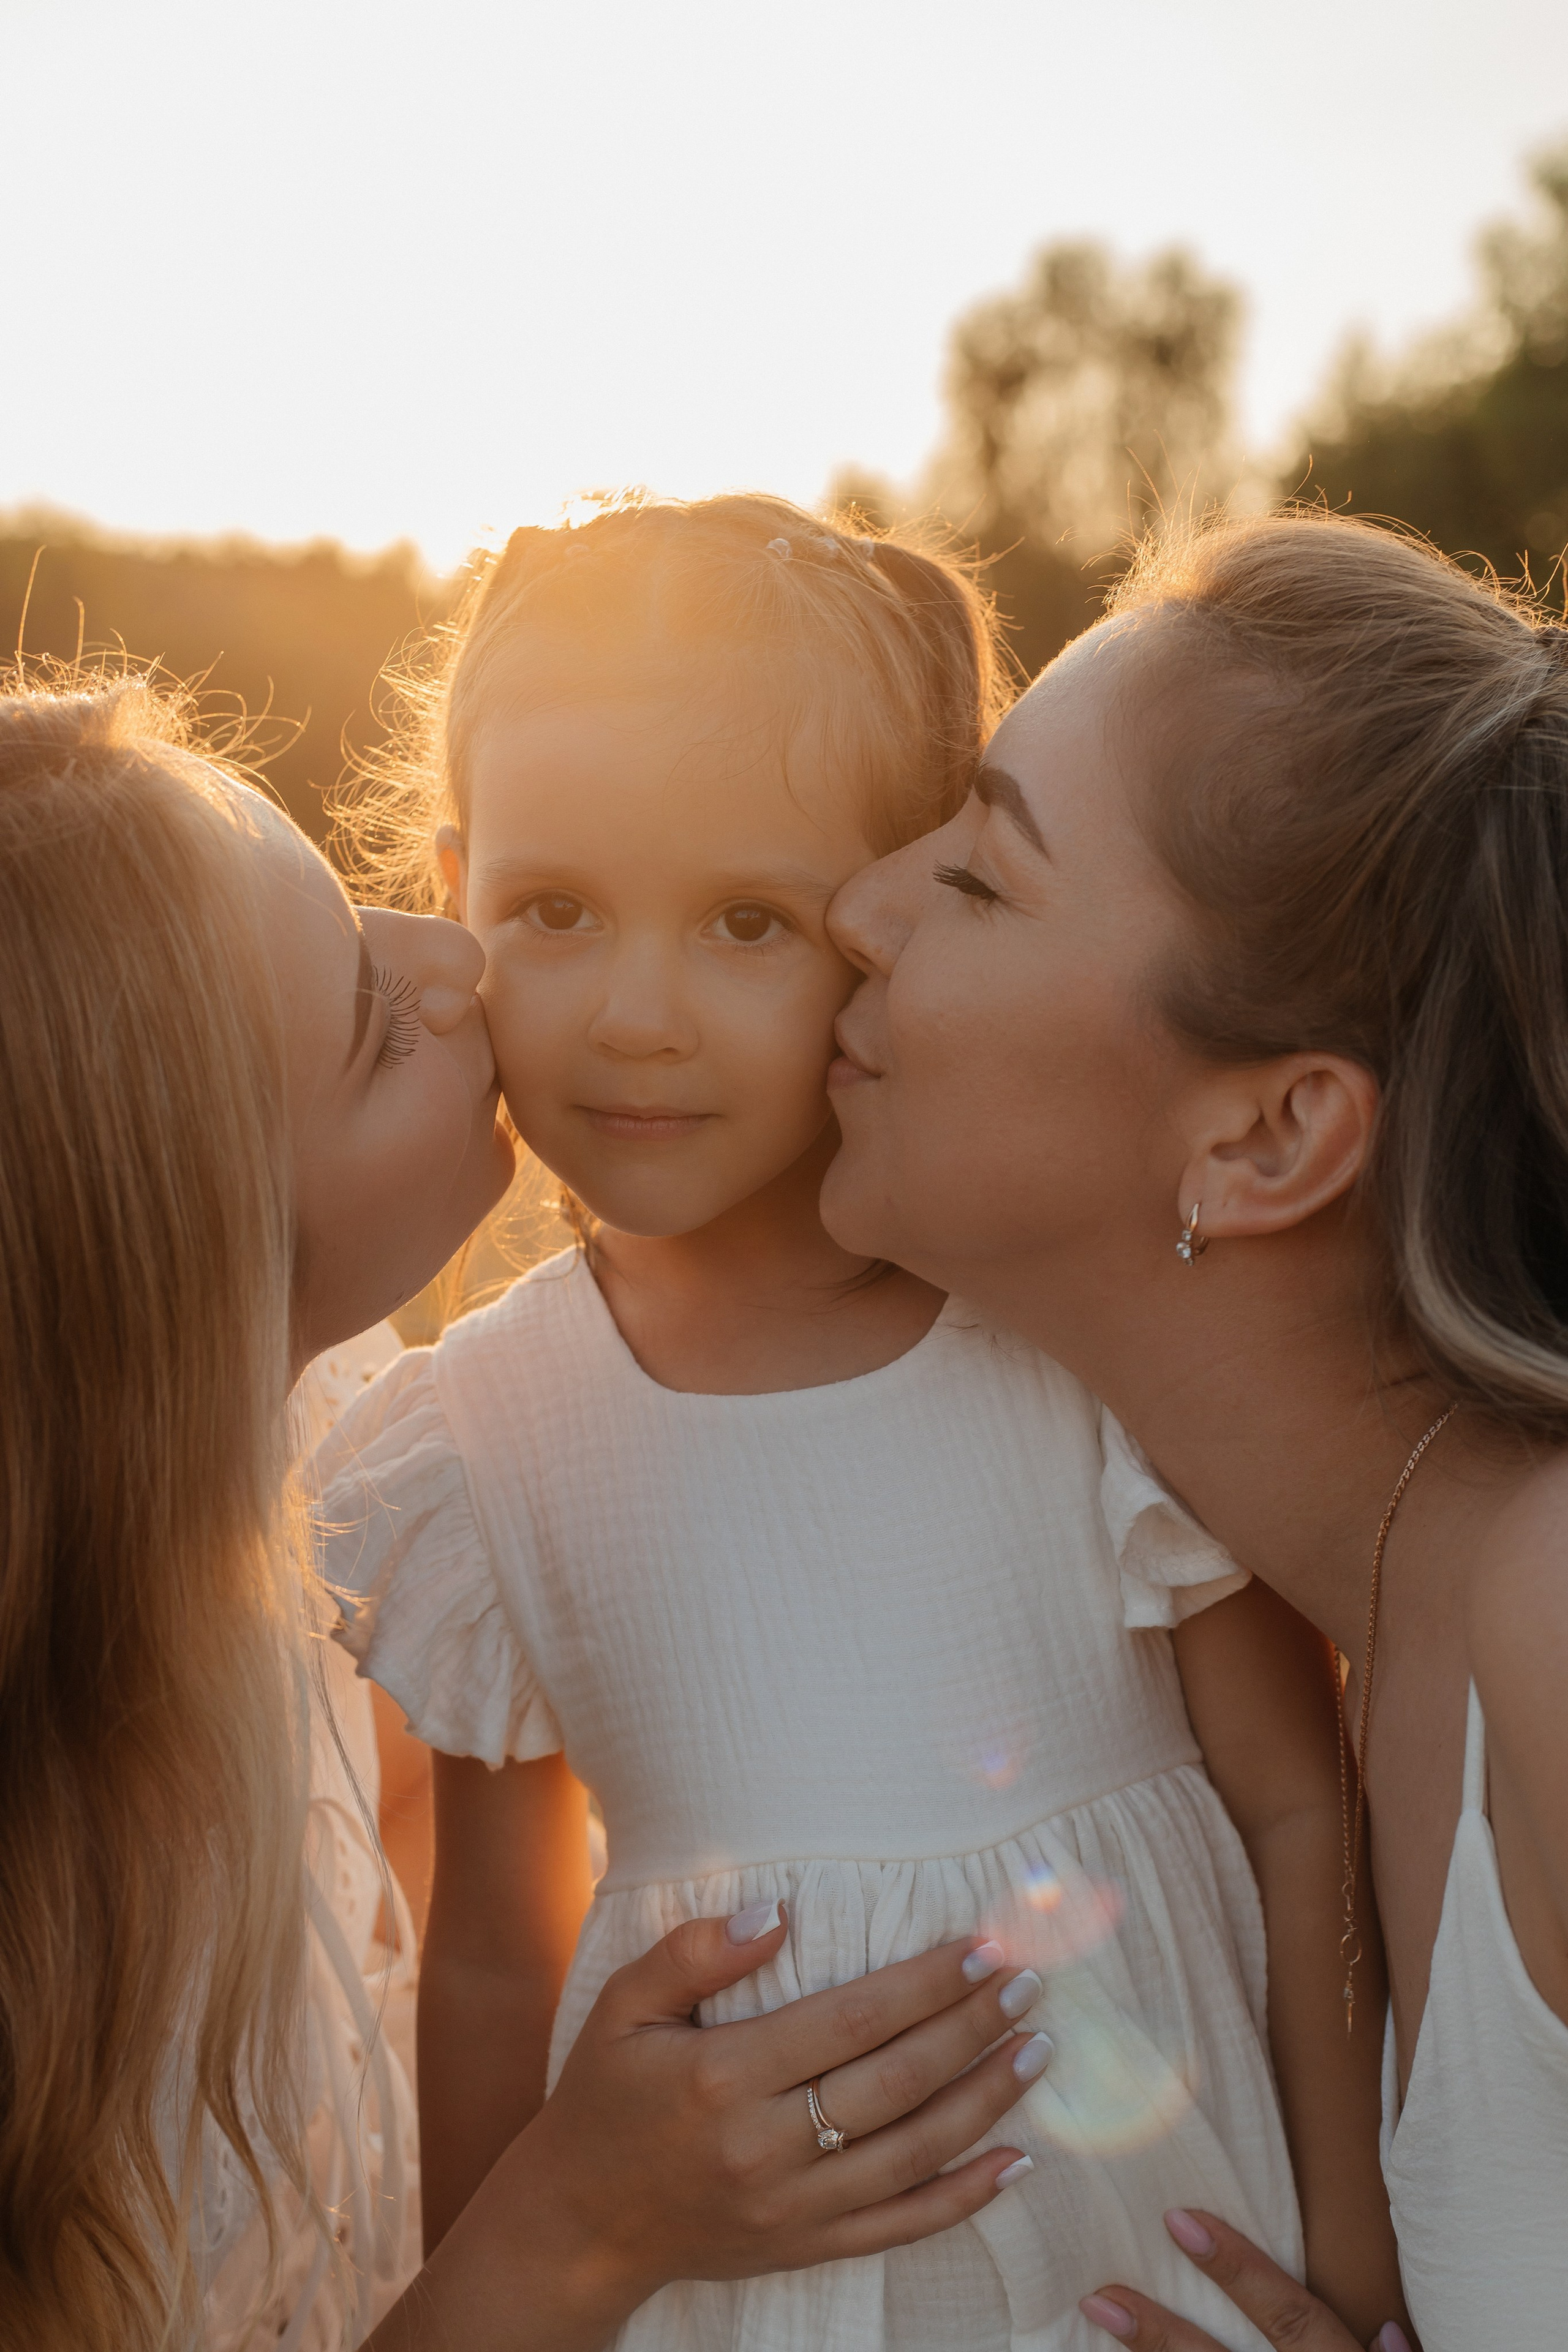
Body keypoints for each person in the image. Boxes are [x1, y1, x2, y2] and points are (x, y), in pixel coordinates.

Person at [315, 494, 1401, 2350]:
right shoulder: (484, 1429)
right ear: (458, 881)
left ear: (888, 926)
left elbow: (1302, 1806)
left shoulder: (1067, 1335)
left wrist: (1358, 2268)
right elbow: (500, 1951)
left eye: (748, 920)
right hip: (740, 2287)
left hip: (1157, 2243)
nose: (635, 1016)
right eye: (555, 911)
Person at [0, 674, 1042, 2352]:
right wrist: (572, 2223)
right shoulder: (402, 1486)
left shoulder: (313, 1463)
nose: (455, 958)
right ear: (197, 1271)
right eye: (369, 1026)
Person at [820, 507, 1568, 2351]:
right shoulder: (1361, 1637)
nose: (859, 903)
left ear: (1264, 1143)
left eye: (981, 878)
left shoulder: (1554, 1613)